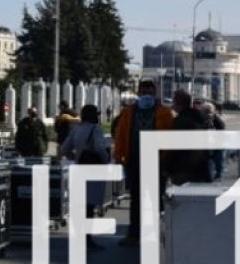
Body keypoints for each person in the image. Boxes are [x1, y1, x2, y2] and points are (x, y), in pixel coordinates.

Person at [113, 80, 175, 246]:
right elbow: (120, 134)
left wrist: (166, 160)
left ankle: (158, 233)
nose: (147, 93)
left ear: (155, 93)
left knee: (156, 199)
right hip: (134, 160)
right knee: (136, 199)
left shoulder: (164, 113)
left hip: (157, 161)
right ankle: (134, 234)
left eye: (150, 90)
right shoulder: (128, 112)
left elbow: (170, 137)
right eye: (144, 90)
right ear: (138, 92)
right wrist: (119, 155)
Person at [61, 103, 112, 218]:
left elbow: (64, 149)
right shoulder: (95, 129)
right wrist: (106, 160)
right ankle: (87, 233)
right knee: (90, 203)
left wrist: (74, 157)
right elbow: (99, 148)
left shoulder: (76, 130)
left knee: (80, 202)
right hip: (93, 170)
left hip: (79, 167)